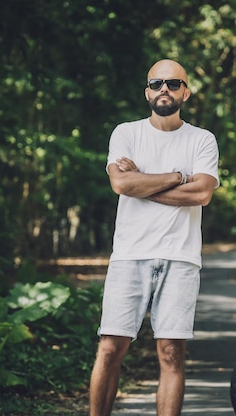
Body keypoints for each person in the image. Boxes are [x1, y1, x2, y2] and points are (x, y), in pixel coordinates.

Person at [88, 59, 220, 416]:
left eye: (174, 83)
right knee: (110, 348)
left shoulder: (202, 140)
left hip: (181, 258)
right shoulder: (126, 133)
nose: (165, 88)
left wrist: (144, 182)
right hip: (130, 255)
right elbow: (120, 183)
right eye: (157, 83)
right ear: (147, 91)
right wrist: (179, 176)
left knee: (171, 354)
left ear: (186, 92)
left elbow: (202, 194)